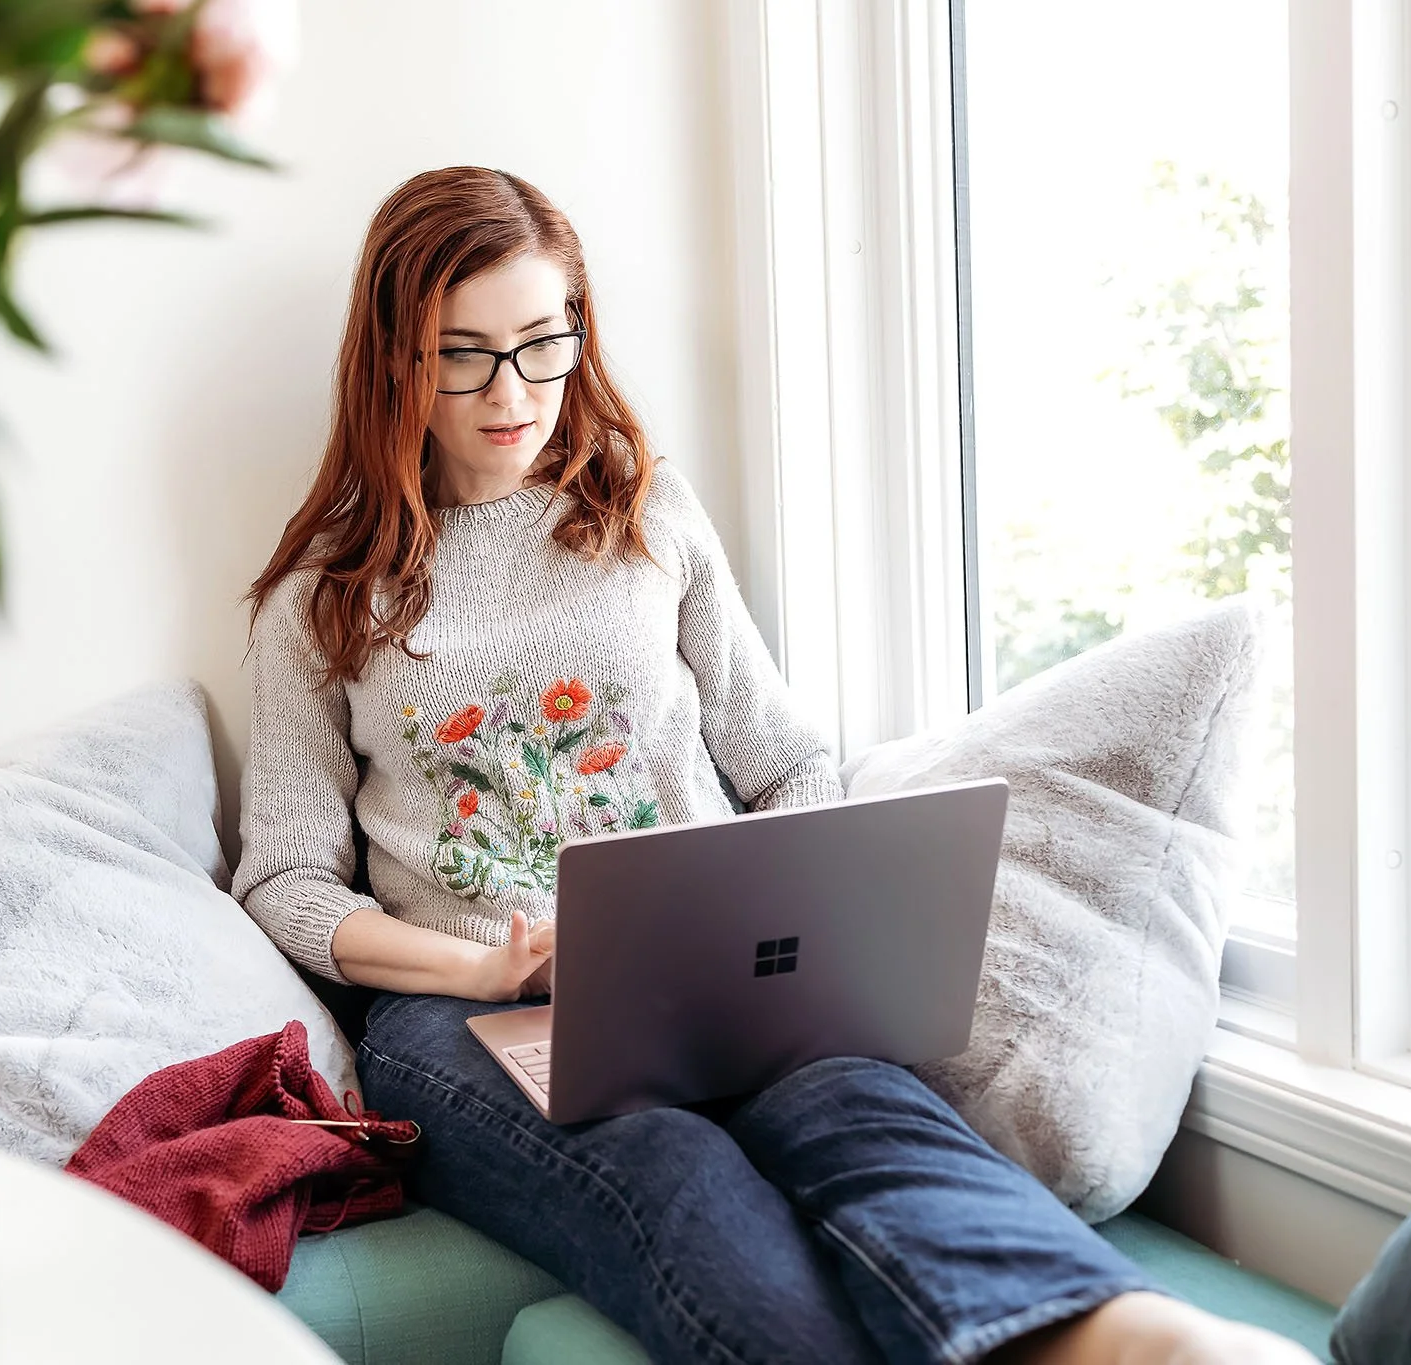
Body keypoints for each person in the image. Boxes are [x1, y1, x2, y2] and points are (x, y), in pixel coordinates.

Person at [232, 165, 1314, 1365]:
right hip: (448, 1012)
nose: (515, 391)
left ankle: (1119, 1337)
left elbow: (786, 761)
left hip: (697, 975)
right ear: (395, 356)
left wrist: (766, 918)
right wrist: (483, 968)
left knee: (864, 1116)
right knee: (664, 1165)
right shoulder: (321, 599)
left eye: (544, 343)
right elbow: (285, 881)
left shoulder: (645, 513)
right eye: (465, 354)